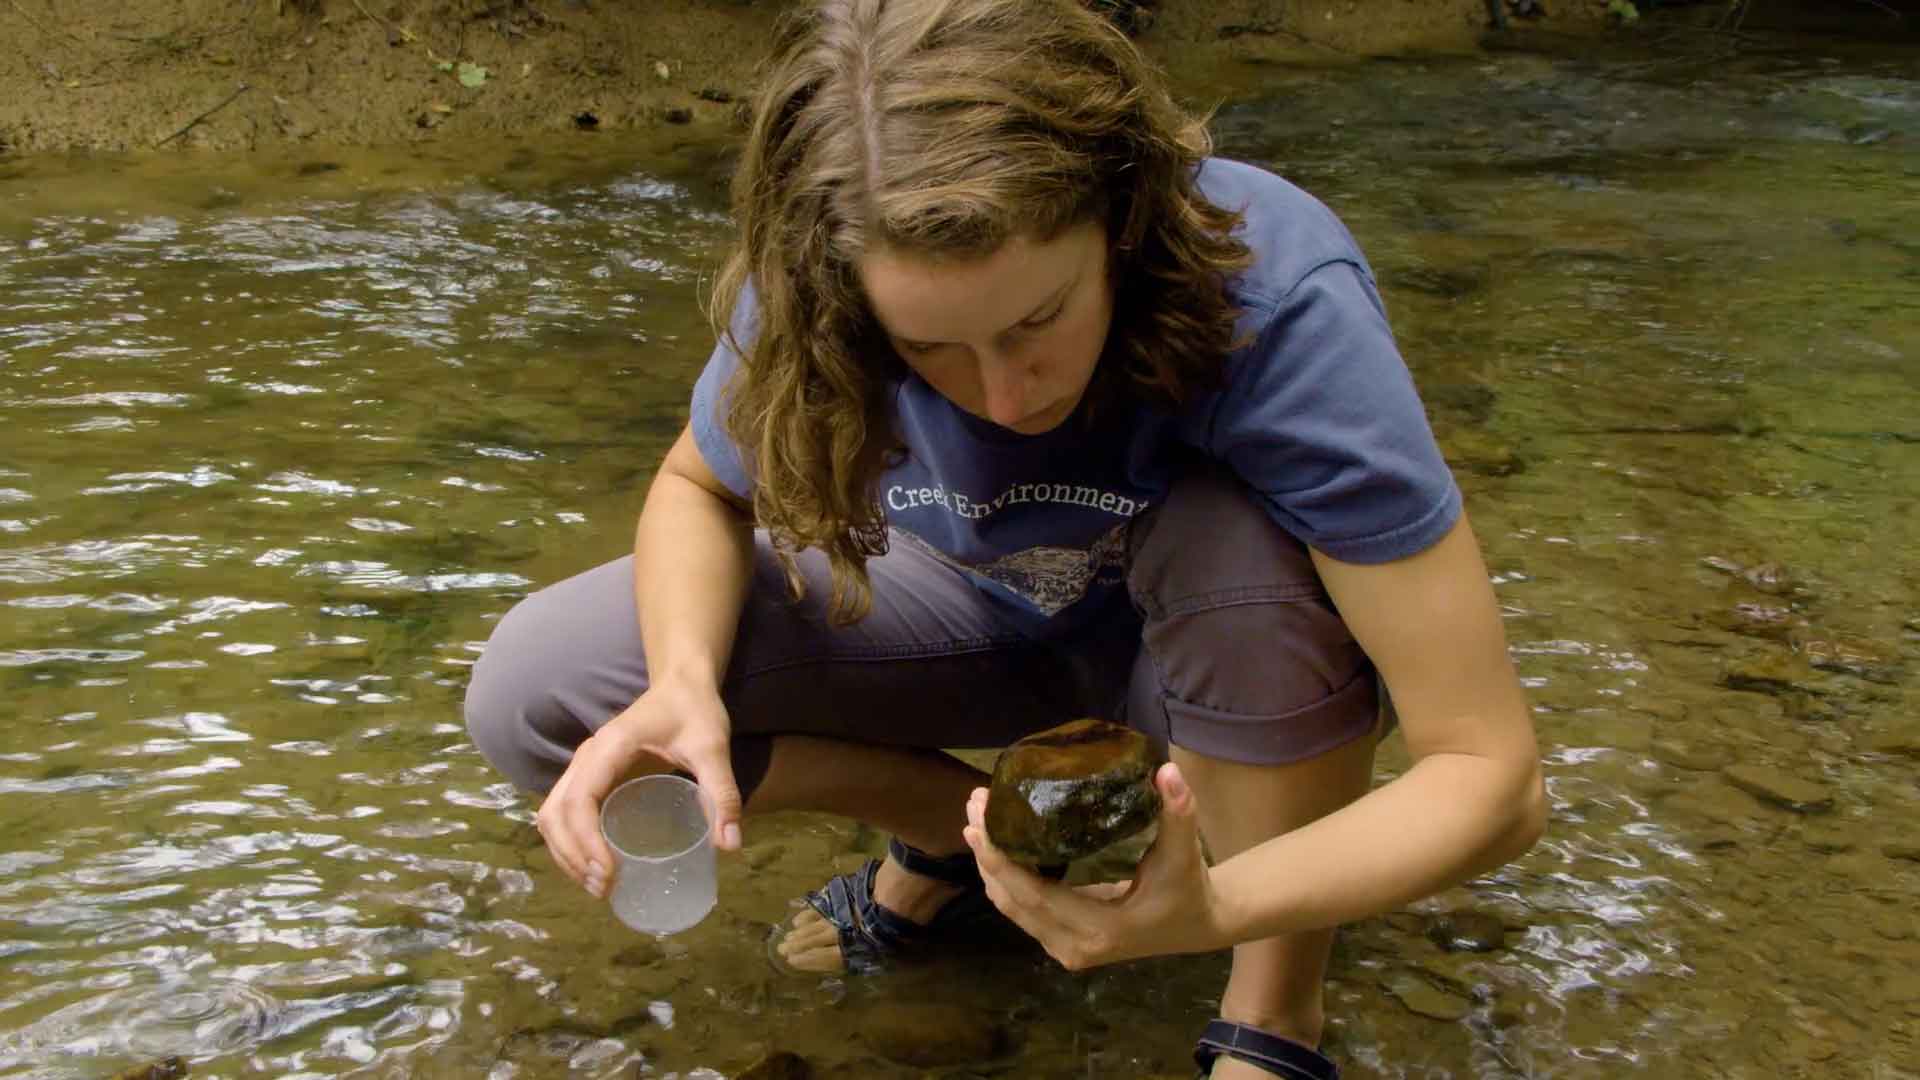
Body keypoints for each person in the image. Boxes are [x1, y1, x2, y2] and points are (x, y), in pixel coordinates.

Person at [464, 0, 1547, 1076]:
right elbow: (694, 488)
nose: (1003, 394)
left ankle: (1273, 1011)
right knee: (542, 691)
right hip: (974, 607)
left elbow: (1493, 780)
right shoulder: (820, 283)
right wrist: (686, 681)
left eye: (1039, 321)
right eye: (931, 348)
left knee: (1233, 538)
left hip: (1219, 659)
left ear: (1122, 220)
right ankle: (971, 842)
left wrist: (1213, 909)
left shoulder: (1277, 297)